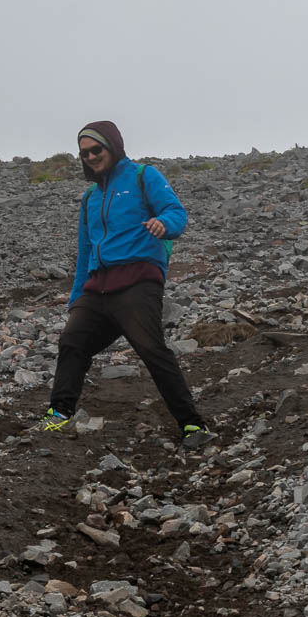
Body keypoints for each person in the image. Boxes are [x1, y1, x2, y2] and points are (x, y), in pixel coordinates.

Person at [38, 121, 214, 446]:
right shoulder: (90, 197)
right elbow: (85, 251)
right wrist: (77, 297)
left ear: (113, 146)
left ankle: (192, 424)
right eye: (84, 153)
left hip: (137, 281)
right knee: (72, 341)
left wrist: (164, 224)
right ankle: (59, 415)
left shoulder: (142, 176)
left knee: (151, 348)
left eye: (96, 149)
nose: (90, 156)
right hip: (98, 286)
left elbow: (175, 211)